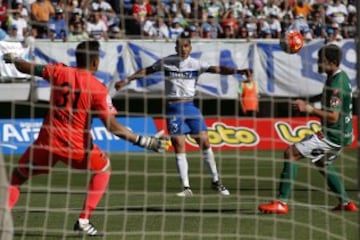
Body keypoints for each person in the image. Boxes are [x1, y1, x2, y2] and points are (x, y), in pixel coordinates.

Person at [4, 40, 169, 236]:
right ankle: (83, 219)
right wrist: (144, 141)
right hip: (76, 147)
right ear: (95, 62)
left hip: (46, 142)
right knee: (104, 168)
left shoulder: (58, 71)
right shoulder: (98, 89)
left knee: (17, 177)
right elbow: (112, 126)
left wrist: (15, 59)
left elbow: (26, 67)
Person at [115, 32, 252, 197]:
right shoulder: (167, 62)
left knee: (205, 142)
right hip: (173, 108)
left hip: (190, 107)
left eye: (186, 46)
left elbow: (218, 69)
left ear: (190, 47)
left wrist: (238, 70)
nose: (183, 49)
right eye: (180, 46)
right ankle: (186, 188)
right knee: (179, 146)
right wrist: (127, 80)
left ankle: (216, 182)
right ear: (176, 48)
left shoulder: (196, 64)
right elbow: (147, 70)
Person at [258, 44, 357, 214]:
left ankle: (281, 202)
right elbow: (328, 97)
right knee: (322, 162)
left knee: (291, 153)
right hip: (344, 133)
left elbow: (333, 116)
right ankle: (346, 203)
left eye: (322, 61)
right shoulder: (336, 76)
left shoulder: (336, 85)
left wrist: (310, 109)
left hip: (333, 134)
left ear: (332, 62)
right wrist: (308, 100)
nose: (318, 63)